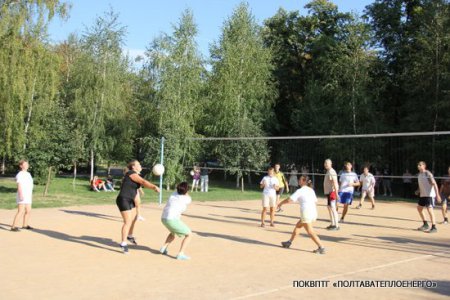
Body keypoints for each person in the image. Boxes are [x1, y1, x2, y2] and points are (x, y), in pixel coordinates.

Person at [116, 160, 160, 253]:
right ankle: (123, 243)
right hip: (123, 199)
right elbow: (143, 181)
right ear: (133, 167)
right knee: (127, 222)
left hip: (129, 199)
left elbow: (135, 189)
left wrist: (138, 205)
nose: (140, 165)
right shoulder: (130, 173)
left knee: (133, 219)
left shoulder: (135, 176)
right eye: (138, 164)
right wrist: (154, 187)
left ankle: (129, 235)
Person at [278, 176, 325, 254]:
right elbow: (315, 201)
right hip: (313, 212)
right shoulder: (311, 190)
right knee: (298, 226)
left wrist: (280, 203)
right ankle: (289, 242)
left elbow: (289, 200)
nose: (298, 180)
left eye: (300, 179)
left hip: (306, 213)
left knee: (310, 231)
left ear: (303, 181)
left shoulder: (300, 190)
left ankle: (321, 247)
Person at [160, 182, 192, 260]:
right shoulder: (187, 199)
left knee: (172, 233)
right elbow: (187, 196)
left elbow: (179, 190)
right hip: (172, 219)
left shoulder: (173, 194)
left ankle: (163, 248)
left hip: (163, 218)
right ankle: (180, 254)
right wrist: (186, 191)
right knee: (189, 234)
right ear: (186, 191)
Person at [416, 161, 441, 233]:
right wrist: (418, 190)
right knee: (419, 208)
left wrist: (437, 195)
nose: (418, 166)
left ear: (424, 166)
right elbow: (421, 184)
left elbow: (434, 184)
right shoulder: (419, 175)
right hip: (423, 195)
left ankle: (434, 227)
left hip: (429, 195)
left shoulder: (428, 173)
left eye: (420, 165)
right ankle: (425, 224)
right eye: (418, 165)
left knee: (430, 210)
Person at [11, 160, 34, 231]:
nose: (27, 165)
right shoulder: (20, 174)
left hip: (28, 195)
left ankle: (25, 225)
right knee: (20, 211)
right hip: (22, 195)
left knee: (28, 210)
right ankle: (13, 227)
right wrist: (20, 194)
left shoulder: (28, 174)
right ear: (21, 166)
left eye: (27, 164)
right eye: (25, 164)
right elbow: (19, 185)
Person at [323, 159, 340, 231]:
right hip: (329, 192)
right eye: (325, 163)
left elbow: (335, 183)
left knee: (333, 208)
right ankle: (332, 224)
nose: (325, 164)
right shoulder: (328, 171)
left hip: (332, 192)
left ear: (331, 164)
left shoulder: (332, 171)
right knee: (329, 207)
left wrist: (336, 193)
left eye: (327, 163)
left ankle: (336, 225)